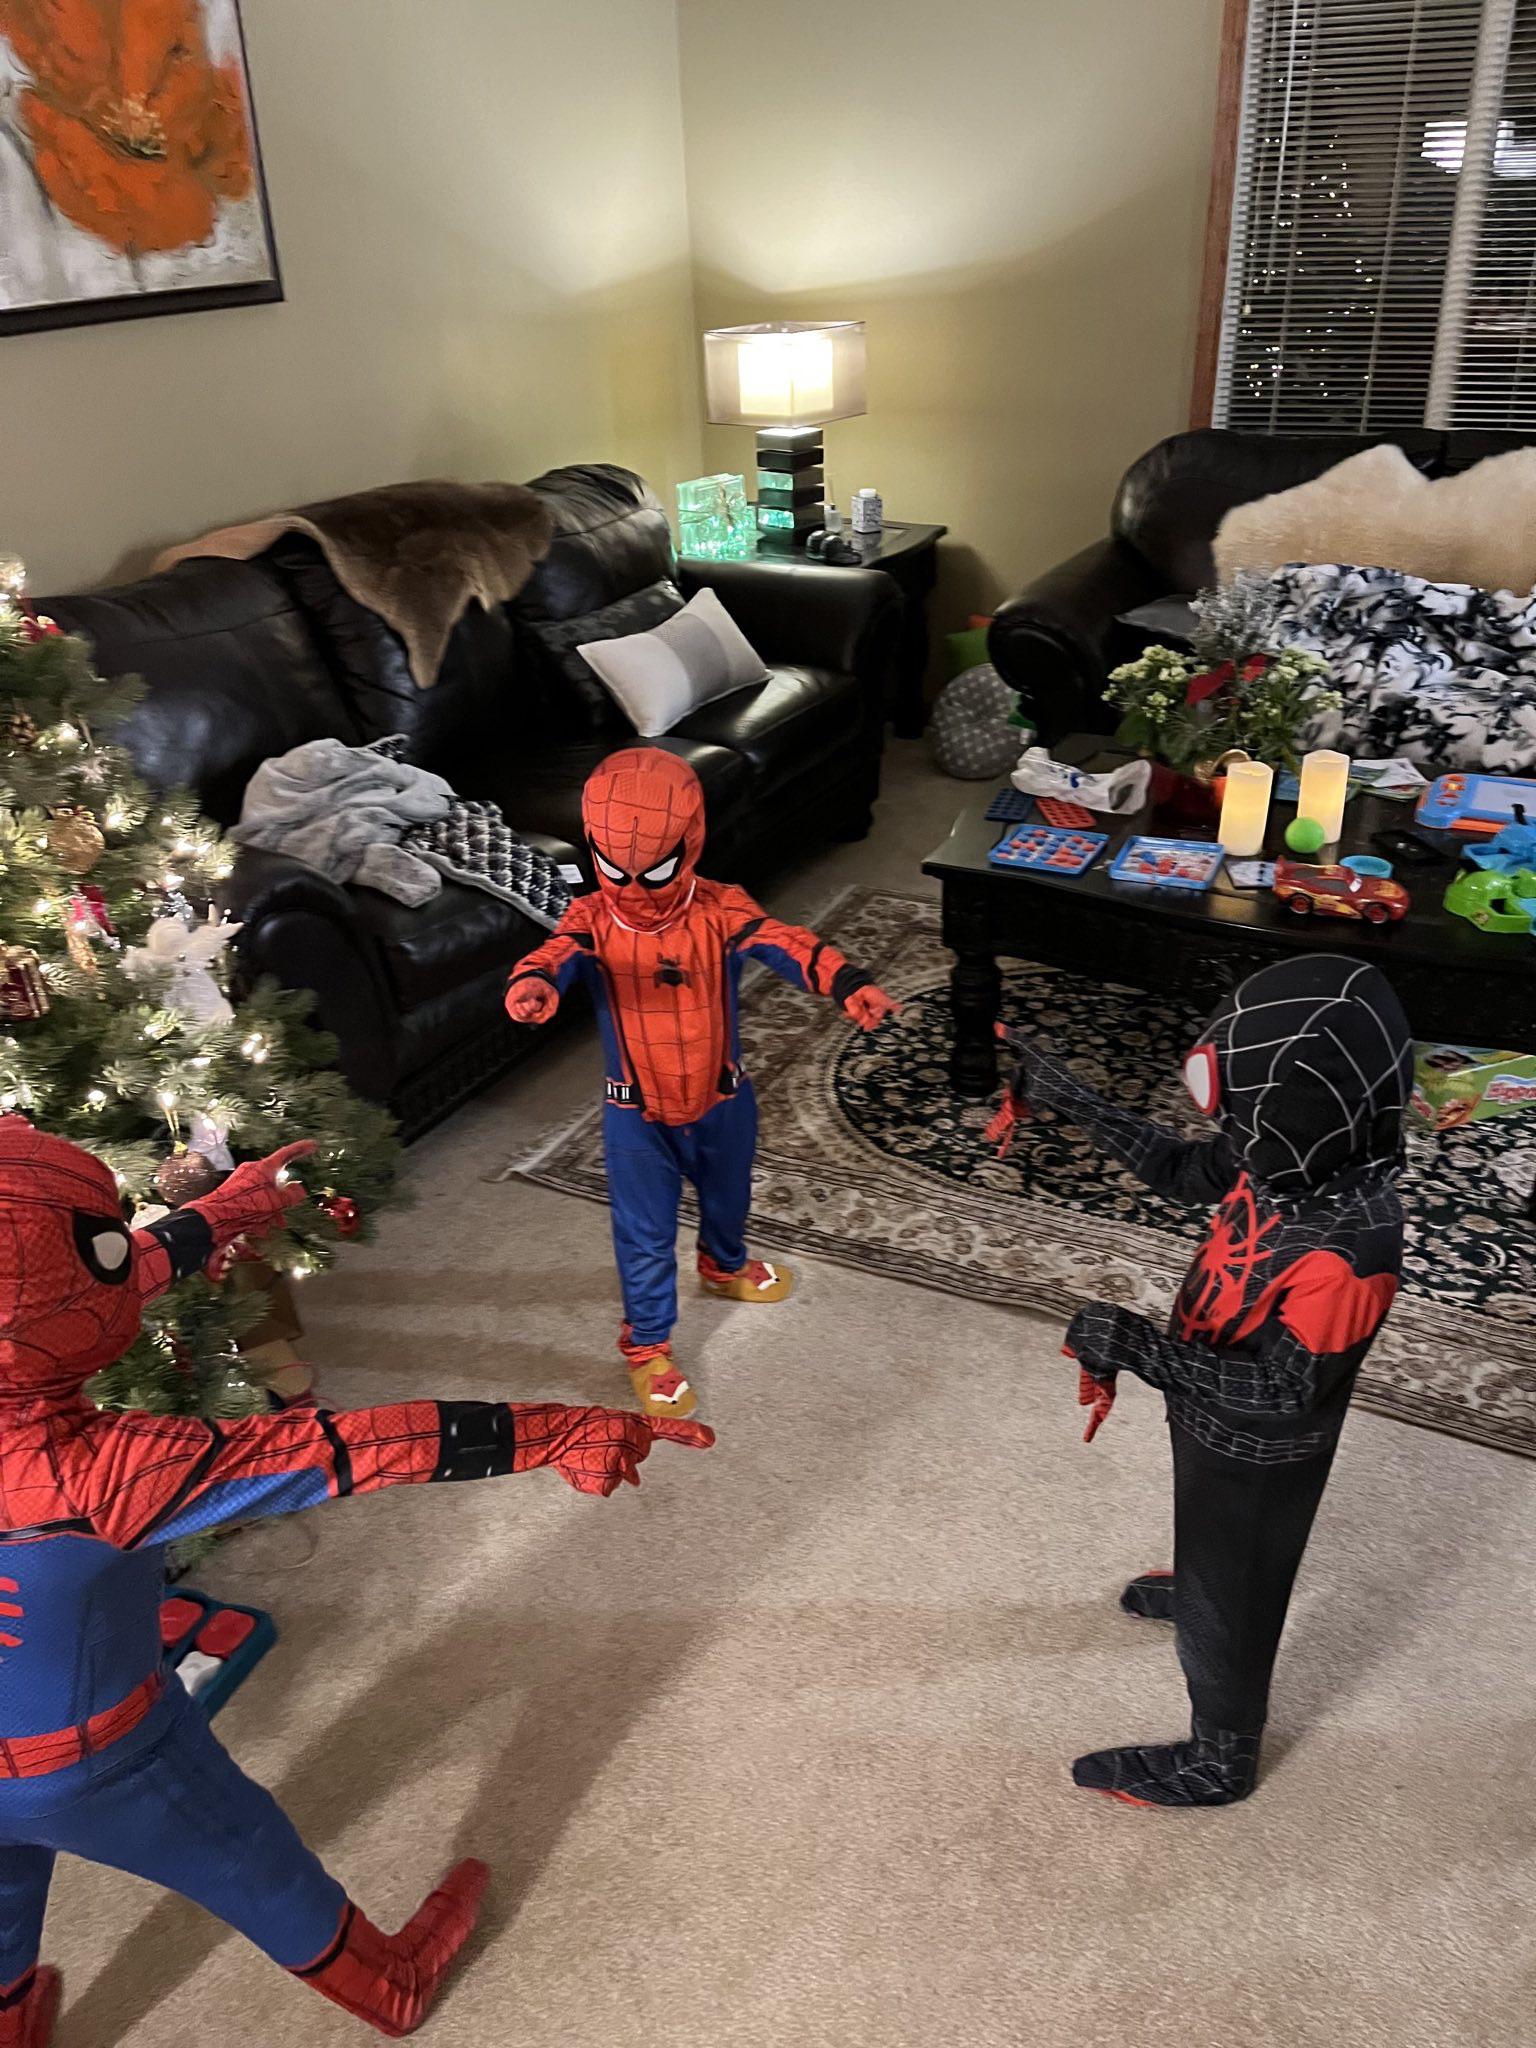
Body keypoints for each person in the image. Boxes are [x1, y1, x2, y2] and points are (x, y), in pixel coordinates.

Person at [0, 1119, 712, 2043]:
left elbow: (56, 1293)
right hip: (100, 1760)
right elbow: (350, 1448)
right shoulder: (96, 1472)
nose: (124, 1256)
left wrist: (218, 1216)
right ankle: (390, 1985)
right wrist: (559, 1431)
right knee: (248, 1856)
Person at [989, 956, 1412, 1807]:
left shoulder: (1353, 1248)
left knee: (1233, 1597)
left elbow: (1284, 1392)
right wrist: (1072, 1098)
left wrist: (1142, 1348)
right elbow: (1185, 1171)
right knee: (1202, 1535)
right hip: (1203, 1414)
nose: (1240, 1148)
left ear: (1316, 1110)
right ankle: (1202, 1588)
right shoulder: (1285, 1152)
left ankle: (1221, 1758)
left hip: (1261, 1457)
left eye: (1253, 1124)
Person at [506, 747, 900, 1417]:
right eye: (614, 869)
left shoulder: (722, 908)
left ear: (689, 845)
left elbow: (785, 941)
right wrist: (533, 982)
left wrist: (845, 980)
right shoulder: (592, 919)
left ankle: (722, 1264)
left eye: (655, 870)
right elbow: (555, 953)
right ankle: (647, 1347)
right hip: (636, 1115)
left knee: (729, 1196)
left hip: (722, 1098)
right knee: (644, 1234)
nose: (634, 889)